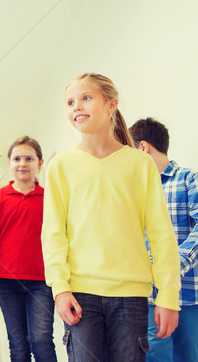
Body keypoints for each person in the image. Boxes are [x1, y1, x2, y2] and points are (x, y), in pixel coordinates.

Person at [41, 73, 181, 361]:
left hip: (131, 298)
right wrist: (60, 289)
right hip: (80, 296)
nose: (76, 106)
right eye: (70, 102)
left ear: (111, 105)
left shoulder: (140, 164)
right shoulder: (60, 167)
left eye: (85, 98)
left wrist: (168, 296)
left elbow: (161, 234)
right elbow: (54, 233)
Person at [0, 135, 56, 362]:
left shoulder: (50, 198)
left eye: (29, 158)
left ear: (40, 163)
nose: (22, 163)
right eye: (17, 158)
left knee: (41, 340)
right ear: (9, 163)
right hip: (7, 281)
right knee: (17, 343)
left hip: (43, 281)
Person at [129, 117, 198, 362]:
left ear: (143, 148)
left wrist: (171, 266)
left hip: (189, 294)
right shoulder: (136, 189)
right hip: (150, 295)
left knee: (186, 356)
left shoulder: (189, 179)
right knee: (154, 356)